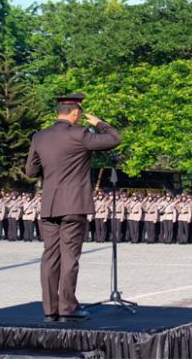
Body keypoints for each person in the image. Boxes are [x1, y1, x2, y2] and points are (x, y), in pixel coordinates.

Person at [25, 93, 120, 322]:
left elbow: (30, 172)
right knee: (69, 257)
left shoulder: (40, 137)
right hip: (73, 206)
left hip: (49, 205)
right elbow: (114, 138)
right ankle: (68, 308)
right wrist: (98, 123)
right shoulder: (80, 134)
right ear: (76, 113)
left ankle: (50, 310)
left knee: (50, 256)